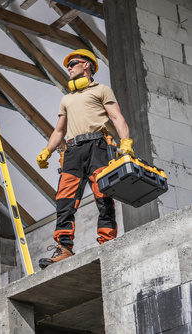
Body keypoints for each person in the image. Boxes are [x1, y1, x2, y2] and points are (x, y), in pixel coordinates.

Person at [36, 49, 134, 268]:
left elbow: (117, 117)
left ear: (87, 65)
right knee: (64, 200)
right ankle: (64, 248)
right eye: (68, 65)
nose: (69, 68)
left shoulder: (101, 90)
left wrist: (126, 142)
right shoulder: (67, 99)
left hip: (98, 147)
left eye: (73, 63)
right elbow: (59, 131)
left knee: (103, 196)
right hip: (72, 152)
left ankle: (107, 243)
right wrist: (47, 150)